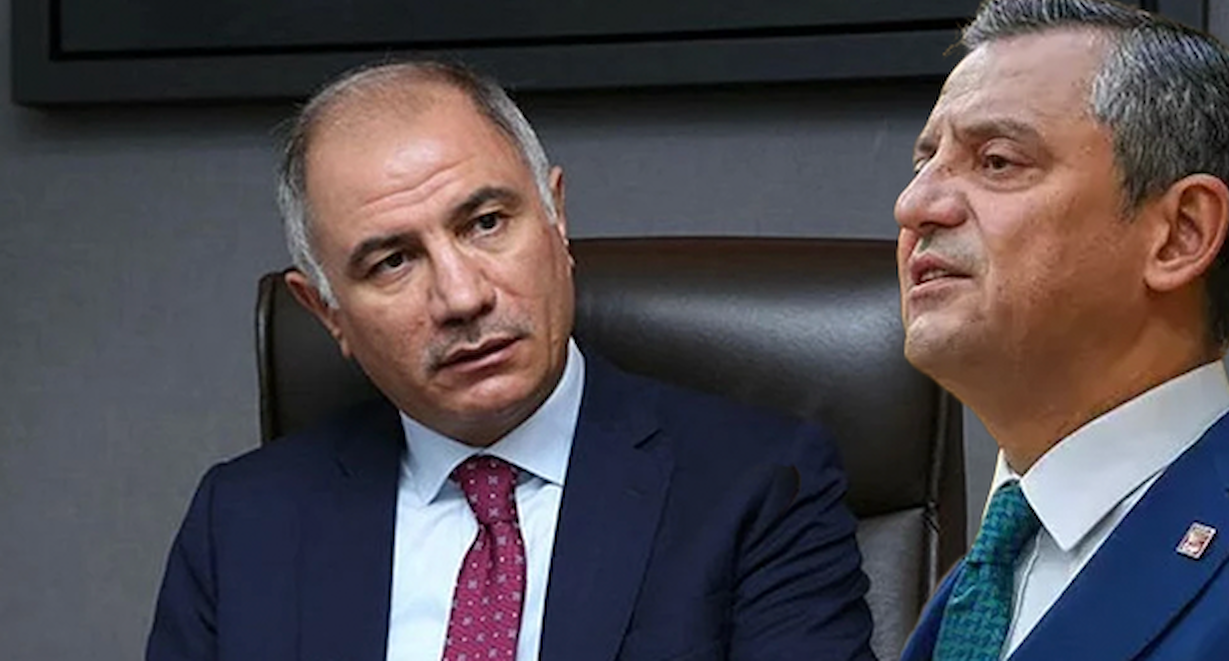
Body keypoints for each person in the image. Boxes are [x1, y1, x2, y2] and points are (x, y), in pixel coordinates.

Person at [145, 61, 875, 661]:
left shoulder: (760, 485)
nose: (462, 297)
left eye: (486, 223)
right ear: (327, 312)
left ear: (557, 219)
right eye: (393, 261)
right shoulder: (241, 523)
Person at [895, 0, 1229, 661]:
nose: (914, 204)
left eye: (997, 161)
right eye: (925, 164)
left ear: (1180, 234)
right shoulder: (980, 585)